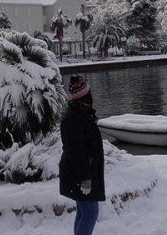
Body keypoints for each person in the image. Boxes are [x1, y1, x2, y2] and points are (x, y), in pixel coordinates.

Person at [59, 75, 105, 235]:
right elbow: (75, 153)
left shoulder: (81, 113)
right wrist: (85, 179)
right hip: (80, 175)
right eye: (89, 92)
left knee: (84, 212)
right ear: (84, 95)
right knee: (90, 214)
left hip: (82, 173)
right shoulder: (73, 118)